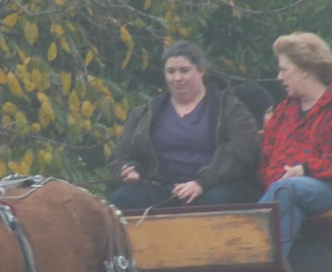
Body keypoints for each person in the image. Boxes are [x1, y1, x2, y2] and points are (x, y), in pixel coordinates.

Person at [107, 40, 261, 210]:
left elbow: (244, 149)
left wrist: (202, 182)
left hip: (212, 188)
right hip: (162, 190)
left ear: (201, 70)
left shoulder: (229, 108)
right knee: (123, 199)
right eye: (171, 72)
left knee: (216, 201)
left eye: (184, 71)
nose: (177, 78)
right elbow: (120, 154)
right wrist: (129, 170)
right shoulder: (146, 113)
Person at [258, 32, 332, 256]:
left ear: (305, 70)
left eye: (284, 69)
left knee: (287, 190)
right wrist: (277, 177)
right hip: (290, 191)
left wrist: (304, 170)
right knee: (290, 204)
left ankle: (251, 261)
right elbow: (267, 158)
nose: (279, 77)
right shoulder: (283, 112)